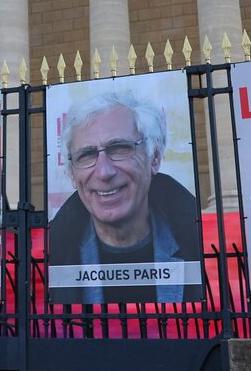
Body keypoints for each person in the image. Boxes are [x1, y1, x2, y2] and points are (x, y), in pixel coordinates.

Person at [48, 89, 201, 304]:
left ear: (154, 158)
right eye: (87, 155)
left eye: (119, 148)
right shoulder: (45, 262)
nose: (104, 172)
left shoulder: (203, 249)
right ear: (72, 174)